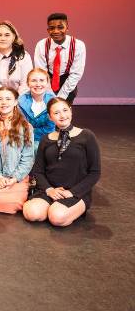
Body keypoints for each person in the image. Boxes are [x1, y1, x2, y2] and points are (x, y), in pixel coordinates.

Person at [22, 97, 100, 227]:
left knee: (57, 217)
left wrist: (72, 192)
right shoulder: (46, 139)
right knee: (32, 214)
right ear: (50, 117)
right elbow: (38, 171)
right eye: (56, 113)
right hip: (50, 189)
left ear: (71, 111)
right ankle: (51, 206)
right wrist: (49, 189)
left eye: (65, 110)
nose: (62, 115)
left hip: (76, 192)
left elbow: (95, 172)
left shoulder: (87, 136)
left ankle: (61, 209)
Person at [0, 87, 34, 214]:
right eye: (0, 99)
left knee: (12, 204)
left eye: (8, 99)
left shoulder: (26, 126)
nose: (4, 102)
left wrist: (15, 178)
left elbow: (28, 157)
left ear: (15, 102)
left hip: (16, 177)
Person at [33, 13, 86, 104]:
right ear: (48, 30)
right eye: (52, 28)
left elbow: (76, 74)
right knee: (46, 109)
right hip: (46, 80)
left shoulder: (78, 45)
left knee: (63, 109)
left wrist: (61, 97)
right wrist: (50, 95)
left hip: (67, 80)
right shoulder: (41, 45)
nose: (56, 31)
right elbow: (41, 72)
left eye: (60, 27)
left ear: (67, 28)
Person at [0, 21, 33, 93]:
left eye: (7, 35)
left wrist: (16, 99)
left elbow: (25, 85)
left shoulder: (23, 57)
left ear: (14, 37)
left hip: (18, 98)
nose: (3, 38)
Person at [18, 68, 56, 146]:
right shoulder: (20, 101)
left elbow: (50, 129)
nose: (38, 84)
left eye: (42, 80)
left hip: (48, 140)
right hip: (25, 140)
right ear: (28, 83)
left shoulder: (54, 102)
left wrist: (30, 131)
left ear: (47, 83)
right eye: (33, 80)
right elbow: (21, 128)